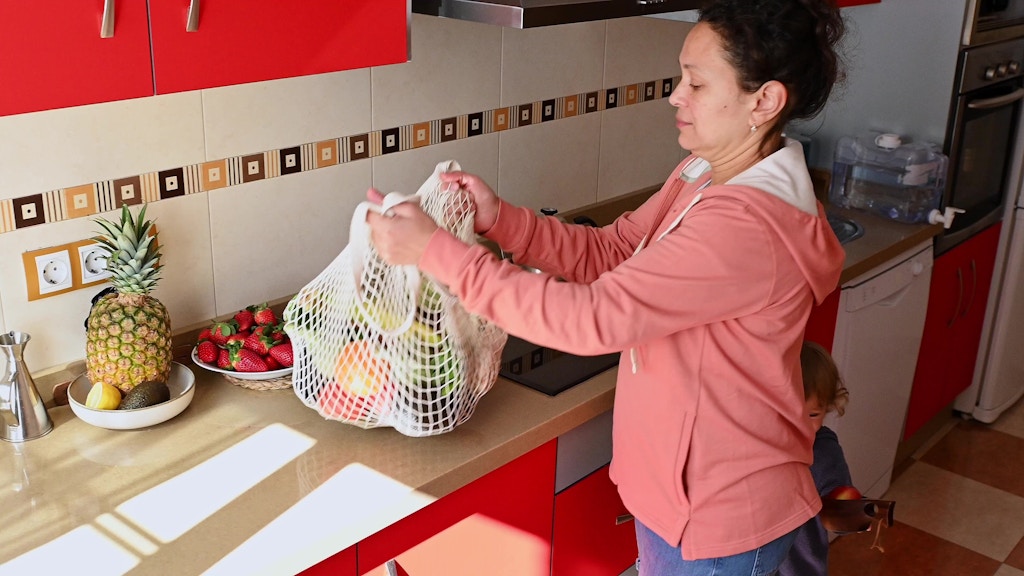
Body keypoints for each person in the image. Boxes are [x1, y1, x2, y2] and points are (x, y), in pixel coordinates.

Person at [365, 0, 847, 572]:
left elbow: (591, 318)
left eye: (696, 83)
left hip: (717, 512)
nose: (676, 96)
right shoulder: (705, 173)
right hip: (688, 495)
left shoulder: (746, 226)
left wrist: (436, 254)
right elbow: (616, 251)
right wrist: (502, 221)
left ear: (764, 101)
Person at [778, 341, 853, 576]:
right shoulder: (756, 440)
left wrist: (847, 512)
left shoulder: (822, 450)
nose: (800, 425)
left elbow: (839, 496)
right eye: (790, 413)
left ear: (828, 408)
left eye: (812, 414)